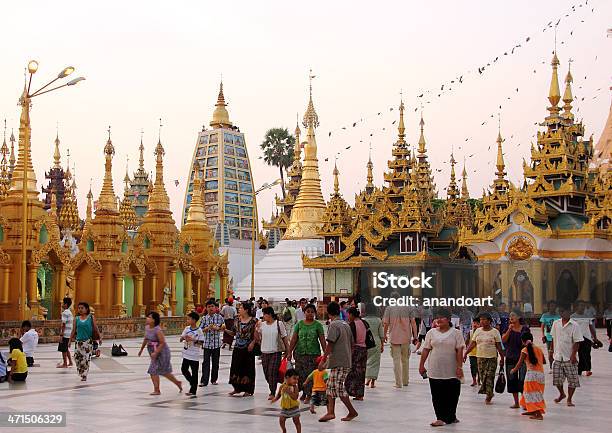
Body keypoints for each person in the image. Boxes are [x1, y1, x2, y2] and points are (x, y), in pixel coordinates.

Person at [419, 308, 464, 427]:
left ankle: (451, 416)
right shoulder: (431, 333)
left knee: (453, 394)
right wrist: (421, 365)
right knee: (437, 394)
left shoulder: (456, 333)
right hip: (435, 368)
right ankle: (440, 417)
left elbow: (459, 350)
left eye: (441, 317)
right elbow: (426, 350)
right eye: (437, 317)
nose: (438, 320)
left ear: (449, 319)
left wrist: (459, 367)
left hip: (452, 369)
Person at [318, 301, 358, 422]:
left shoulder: (334, 325)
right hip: (343, 360)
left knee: (339, 388)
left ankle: (352, 411)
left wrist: (323, 359)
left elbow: (330, 344)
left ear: (328, 312)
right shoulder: (345, 324)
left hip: (340, 362)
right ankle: (330, 412)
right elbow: (352, 344)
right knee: (330, 386)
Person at [464, 312, 504, 404]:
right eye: (480, 319)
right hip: (480, 357)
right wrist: (466, 353)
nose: (481, 321)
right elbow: (473, 343)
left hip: (492, 357)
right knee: (482, 377)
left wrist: (502, 358)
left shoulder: (495, 332)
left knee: (489, 376)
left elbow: (499, 346)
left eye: (484, 319)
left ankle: (489, 395)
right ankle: (488, 392)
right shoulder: (478, 331)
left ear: (489, 321)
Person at [287, 303, 325, 402]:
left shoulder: (318, 325)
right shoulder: (299, 325)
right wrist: (289, 352)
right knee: (300, 375)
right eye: (308, 311)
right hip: (299, 354)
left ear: (315, 313)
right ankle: (304, 392)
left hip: (313, 354)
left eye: (312, 312)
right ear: (304, 312)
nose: (310, 314)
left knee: (310, 375)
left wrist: (326, 354)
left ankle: (309, 395)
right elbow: (294, 339)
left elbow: (322, 340)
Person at [138, 311, 182, 395]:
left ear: (154, 320)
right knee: (154, 370)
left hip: (162, 352)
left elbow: (162, 342)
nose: (147, 318)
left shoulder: (157, 330)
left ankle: (175, 383)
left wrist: (156, 352)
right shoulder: (147, 327)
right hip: (153, 351)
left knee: (163, 371)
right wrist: (141, 349)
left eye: (150, 317)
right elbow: (146, 338)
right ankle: (158, 389)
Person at [383, 291, 418, 388]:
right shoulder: (408, 308)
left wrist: (384, 335)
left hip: (394, 337)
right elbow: (413, 322)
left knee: (396, 361)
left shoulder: (389, 308)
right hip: (406, 337)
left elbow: (385, 323)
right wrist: (415, 336)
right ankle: (405, 381)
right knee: (405, 360)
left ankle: (398, 383)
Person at [551, 304, 583, 406]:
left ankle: (569, 398)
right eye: (561, 312)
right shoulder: (556, 323)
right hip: (558, 355)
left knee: (572, 379)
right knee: (557, 379)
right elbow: (553, 337)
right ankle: (562, 394)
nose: (563, 314)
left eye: (565, 312)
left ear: (569, 312)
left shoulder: (574, 325)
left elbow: (577, 342)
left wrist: (573, 355)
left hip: (569, 356)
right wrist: (551, 350)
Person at [509, 332, 546, 420]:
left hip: (531, 375)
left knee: (532, 394)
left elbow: (519, 363)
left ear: (522, 341)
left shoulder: (524, 350)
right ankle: (531, 410)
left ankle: (538, 414)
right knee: (531, 393)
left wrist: (513, 370)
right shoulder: (539, 349)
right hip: (540, 375)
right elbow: (544, 361)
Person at [258, 306, 290, 399]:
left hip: (275, 352)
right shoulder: (262, 325)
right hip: (264, 352)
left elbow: (284, 337)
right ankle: (272, 386)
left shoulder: (278, 324)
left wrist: (288, 350)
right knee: (267, 373)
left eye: (265, 314)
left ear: (270, 314)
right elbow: (257, 338)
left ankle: (272, 392)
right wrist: (256, 329)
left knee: (272, 372)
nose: (263, 316)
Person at [227, 302, 258, 397]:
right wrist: (224, 330)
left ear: (246, 310)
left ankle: (248, 390)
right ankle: (237, 388)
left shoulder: (254, 321)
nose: (239, 309)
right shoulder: (237, 320)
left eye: (241, 308)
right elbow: (233, 333)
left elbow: (256, 335)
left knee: (248, 368)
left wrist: (253, 343)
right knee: (236, 367)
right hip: (237, 347)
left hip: (248, 348)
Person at [502, 312, 529, 409]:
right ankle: (516, 402)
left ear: (519, 317)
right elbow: (503, 340)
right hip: (510, 357)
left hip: (523, 358)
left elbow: (528, 342)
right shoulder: (507, 328)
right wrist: (509, 330)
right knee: (512, 380)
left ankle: (524, 402)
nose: (511, 317)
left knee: (522, 380)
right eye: (510, 316)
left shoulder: (525, 328)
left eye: (513, 315)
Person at [70, 302, 101, 382]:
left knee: (86, 359)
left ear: (86, 309)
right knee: (77, 358)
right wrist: (70, 340)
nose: (80, 309)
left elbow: (95, 327)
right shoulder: (76, 318)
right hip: (78, 342)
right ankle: (81, 372)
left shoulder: (91, 317)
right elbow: (73, 330)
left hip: (87, 342)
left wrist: (99, 337)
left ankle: (84, 375)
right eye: (79, 308)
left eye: (82, 308)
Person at [571, 300, 601, 376]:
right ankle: (579, 370)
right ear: (576, 307)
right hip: (576, 338)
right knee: (578, 354)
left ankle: (588, 369)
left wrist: (595, 338)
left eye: (583, 306)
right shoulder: (573, 317)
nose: (582, 307)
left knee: (587, 354)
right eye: (580, 305)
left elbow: (591, 328)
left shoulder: (588, 316)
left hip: (587, 338)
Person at [200, 299, 225, 387]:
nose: (210, 308)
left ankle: (214, 379)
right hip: (207, 344)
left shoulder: (219, 317)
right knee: (205, 362)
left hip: (216, 343)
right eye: (209, 307)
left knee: (215, 362)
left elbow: (223, 327)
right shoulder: (204, 318)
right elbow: (200, 330)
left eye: (212, 306)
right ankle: (204, 381)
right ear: (206, 308)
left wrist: (217, 328)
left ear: (216, 308)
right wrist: (206, 329)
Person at [345, 307, 368, 400]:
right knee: (361, 372)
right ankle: (360, 394)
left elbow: (351, 340)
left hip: (356, 350)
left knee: (353, 371)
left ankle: (351, 391)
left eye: (348, 314)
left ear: (351, 314)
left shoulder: (352, 325)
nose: (347, 316)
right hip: (364, 349)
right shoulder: (365, 323)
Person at [180, 312, 204, 396]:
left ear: (194, 320)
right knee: (184, 369)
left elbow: (201, 343)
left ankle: (193, 390)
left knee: (194, 372)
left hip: (194, 355)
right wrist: (183, 338)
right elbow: (181, 338)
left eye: (189, 319)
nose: (187, 320)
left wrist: (193, 340)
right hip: (186, 353)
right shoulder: (187, 328)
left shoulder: (199, 330)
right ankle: (192, 382)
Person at [271, 368, 302, 433]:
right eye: (294, 378)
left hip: (294, 408)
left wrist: (290, 392)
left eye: (297, 379)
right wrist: (275, 399)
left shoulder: (295, 387)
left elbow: (295, 397)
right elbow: (279, 394)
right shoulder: (282, 386)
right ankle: (284, 430)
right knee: (281, 420)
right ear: (287, 378)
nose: (296, 381)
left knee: (296, 421)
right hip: (285, 408)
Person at [362, 303, 384, 388]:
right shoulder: (378, 320)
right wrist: (382, 345)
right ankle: (372, 382)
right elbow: (381, 334)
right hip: (376, 343)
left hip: (365, 342)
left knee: (365, 362)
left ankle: (367, 379)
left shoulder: (363, 320)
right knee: (375, 363)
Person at [540, 300, 560, 370]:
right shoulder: (545, 315)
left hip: (557, 337)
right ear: (548, 307)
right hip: (549, 337)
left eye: (554, 306)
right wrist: (543, 335)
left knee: (557, 352)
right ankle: (551, 366)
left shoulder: (558, 316)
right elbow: (542, 326)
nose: (553, 307)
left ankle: (557, 365)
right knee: (550, 352)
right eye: (551, 306)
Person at [57, 297, 74, 368]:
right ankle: (70, 362)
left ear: (66, 304)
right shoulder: (70, 312)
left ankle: (65, 363)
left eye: (63, 303)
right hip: (69, 333)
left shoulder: (64, 313)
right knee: (66, 348)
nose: (62, 304)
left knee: (63, 349)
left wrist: (61, 335)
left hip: (65, 334)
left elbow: (63, 324)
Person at [466, 317, 480, 386]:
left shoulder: (481, 332)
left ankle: (479, 380)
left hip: (480, 353)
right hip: (471, 353)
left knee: (479, 367)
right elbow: (467, 341)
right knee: (473, 367)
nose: (475, 325)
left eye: (477, 323)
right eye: (474, 323)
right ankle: (474, 380)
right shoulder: (470, 332)